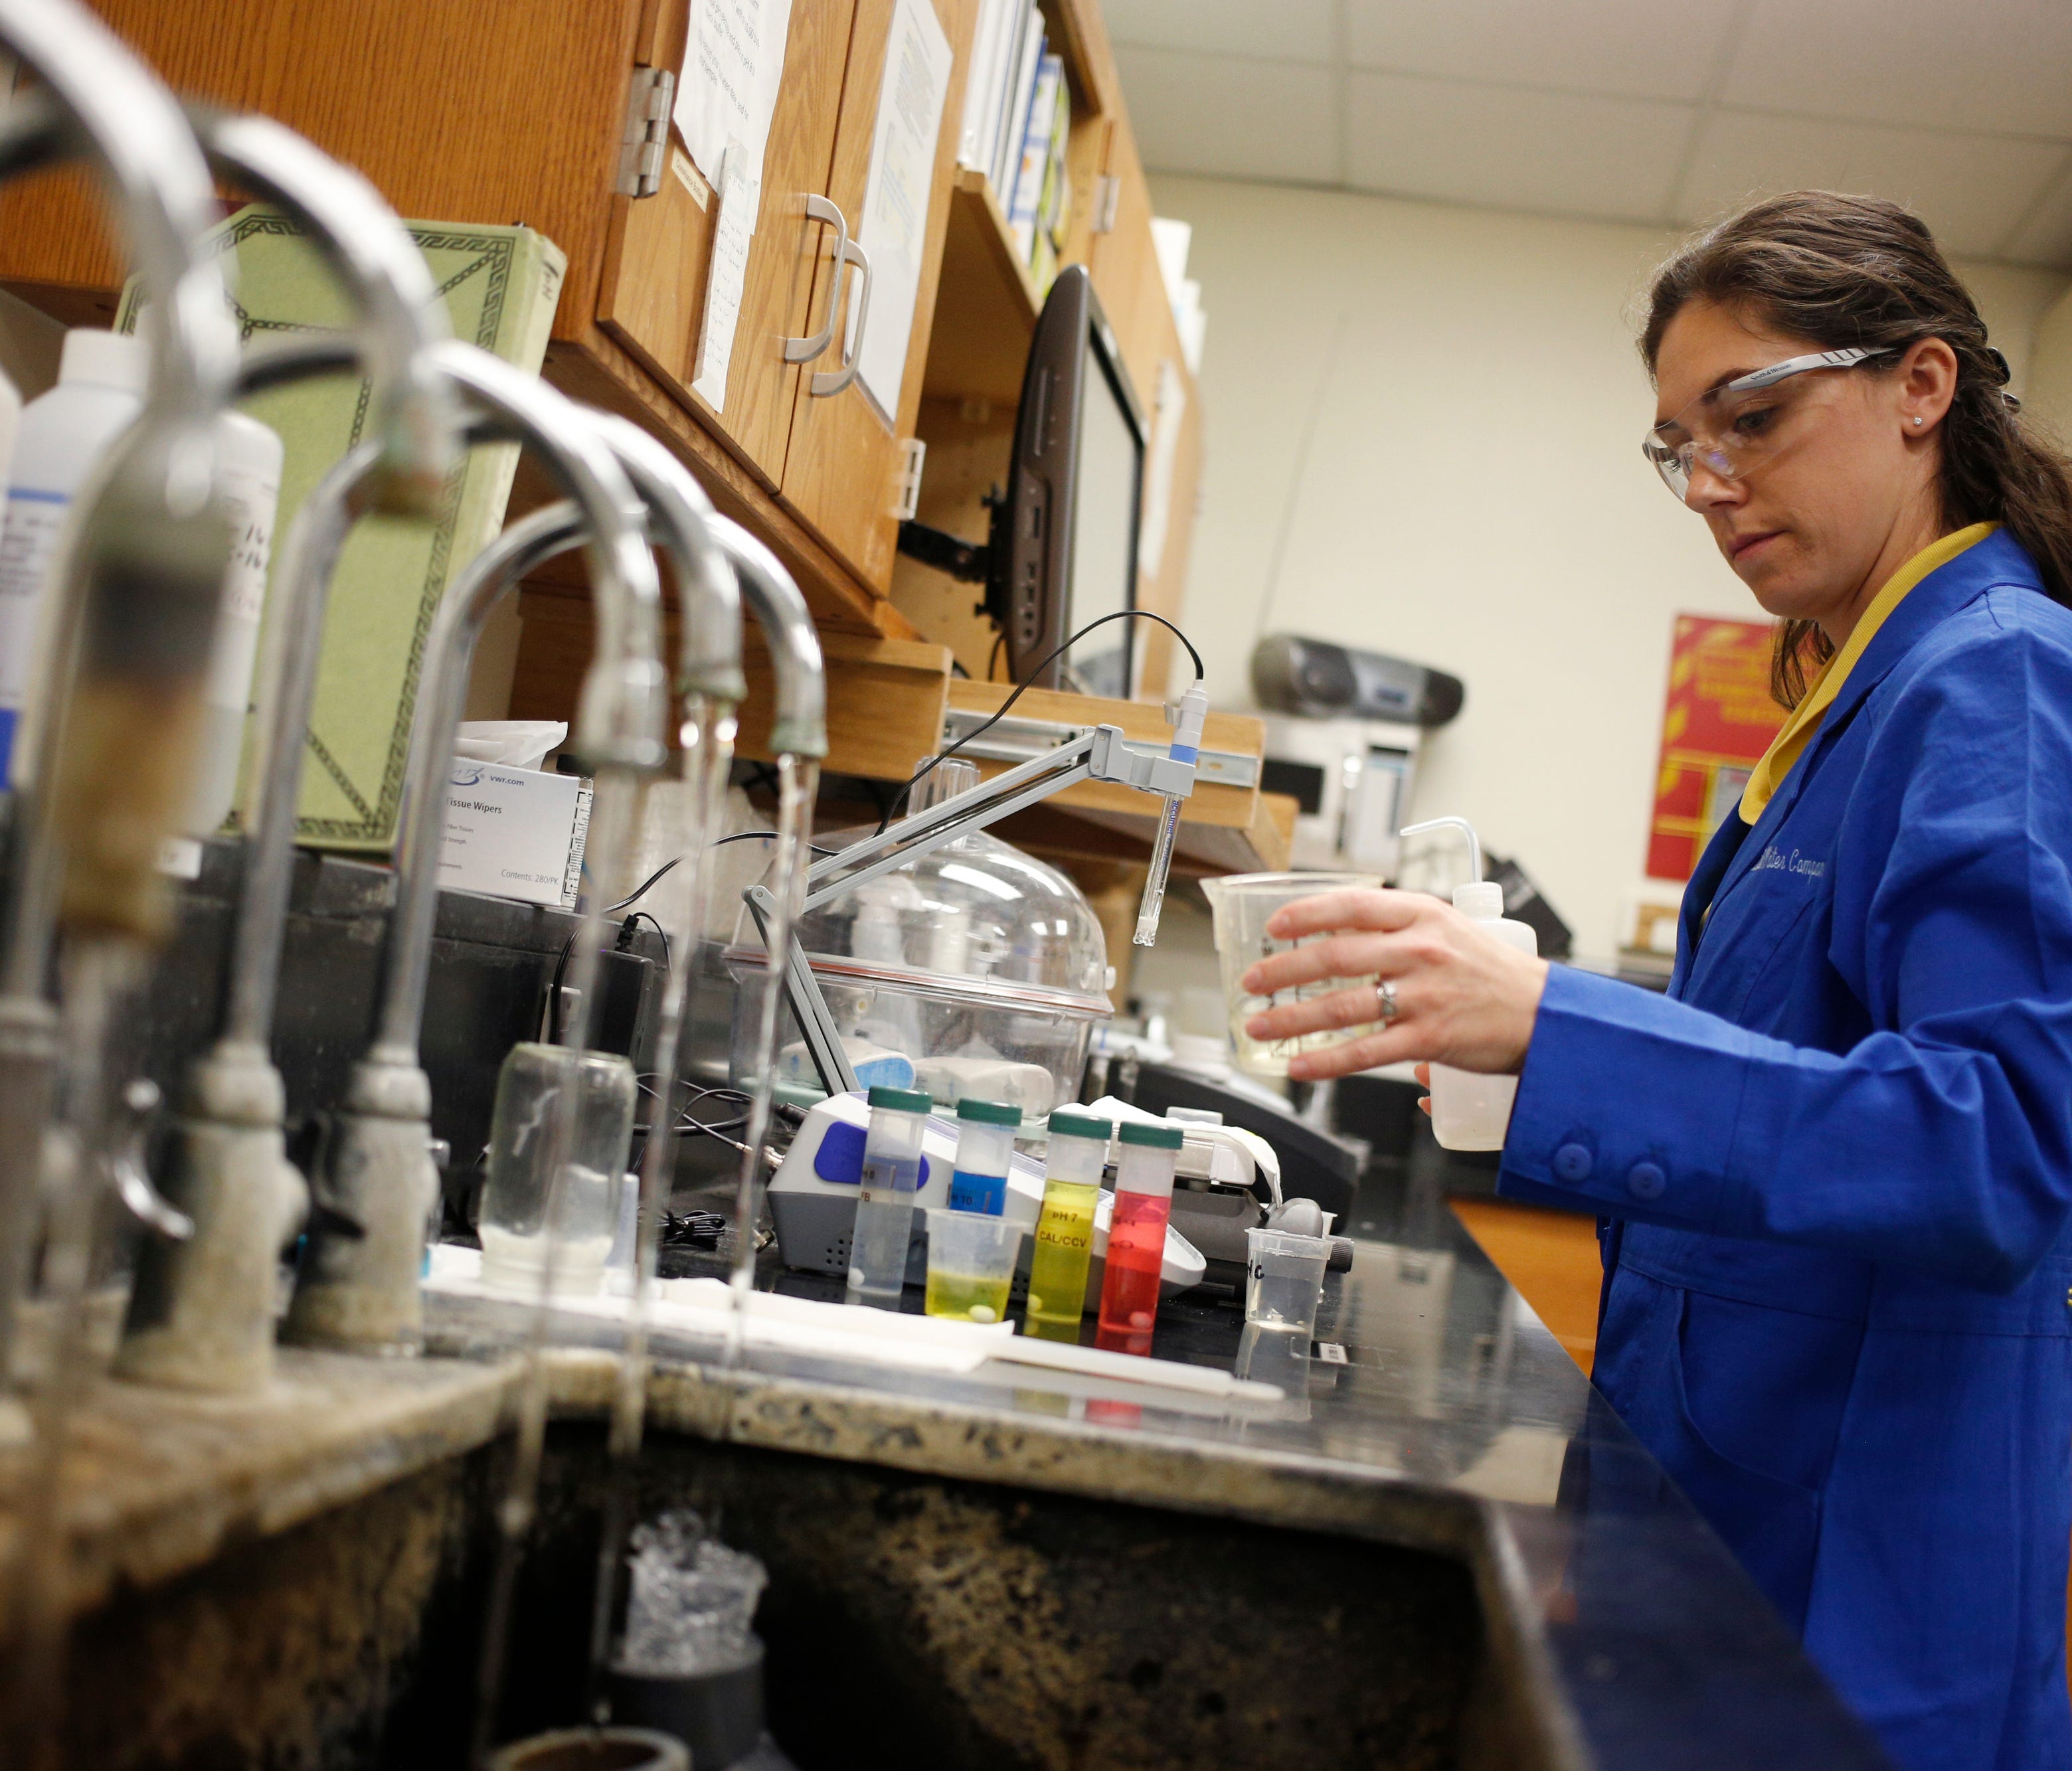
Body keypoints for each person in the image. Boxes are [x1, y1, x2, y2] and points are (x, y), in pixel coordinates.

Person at [1240, 191, 2072, 1771]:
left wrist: (1561, 1022)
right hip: (1714, 1530)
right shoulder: (1848, 698)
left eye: (1752, 416)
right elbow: (1775, 1105)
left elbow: (2005, 1141)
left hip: (1860, 1605)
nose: (1709, 482)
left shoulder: (1996, 675)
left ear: (1921, 386)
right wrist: (1510, 1057)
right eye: (1679, 445)